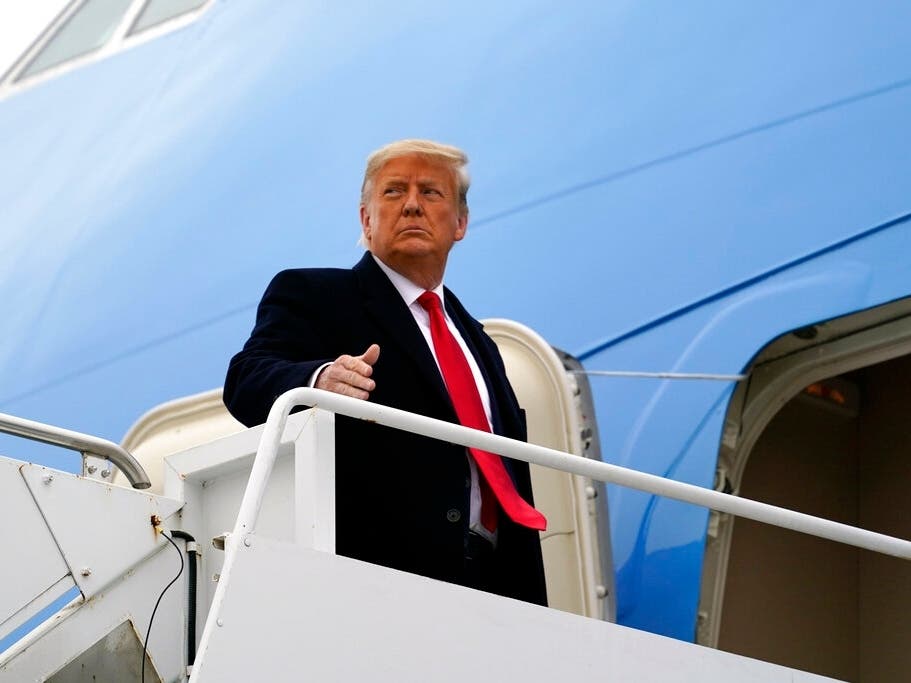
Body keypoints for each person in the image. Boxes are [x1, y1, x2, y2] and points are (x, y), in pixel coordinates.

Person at [223, 139, 547, 606]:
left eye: (431, 192)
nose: (413, 204)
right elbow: (247, 378)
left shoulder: (479, 342)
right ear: (366, 219)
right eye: (394, 191)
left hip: (497, 585)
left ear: (461, 222)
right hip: (380, 579)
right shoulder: (315, 294)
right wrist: (318, 380)